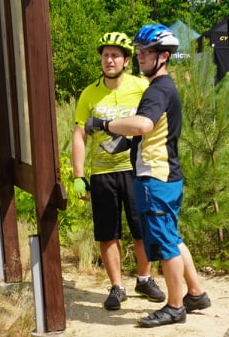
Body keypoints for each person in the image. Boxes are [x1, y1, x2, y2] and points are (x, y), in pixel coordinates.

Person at [90, 23, 210, 328]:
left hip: (155, 176)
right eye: (140, 51)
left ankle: (175, 306)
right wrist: (127, 139)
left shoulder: (158, 89)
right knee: (173, 236)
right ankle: (195, 293)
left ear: (164, 56)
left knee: (166, 244)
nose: (141, 56)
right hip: (165, 173)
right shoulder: (162, 88)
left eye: (148, 52)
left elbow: (143, 124)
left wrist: (104, 125)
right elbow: (149, 131)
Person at [70, 31, 164, 310]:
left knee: (141, 229)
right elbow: (79, 135)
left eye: (115, 55)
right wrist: (78, 176)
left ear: (126, 60)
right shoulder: (89, 93)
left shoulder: (141, 86)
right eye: (105, 55)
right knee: (107, 233)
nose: (109, 60)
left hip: (137, 169)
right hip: (102, 174)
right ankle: (117, 286)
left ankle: (144, 278)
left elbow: (155, 123)